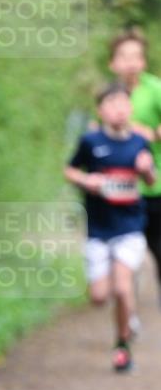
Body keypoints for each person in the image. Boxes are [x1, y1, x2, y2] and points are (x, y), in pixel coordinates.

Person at [64, 82, 155, 372]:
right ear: (101, 111)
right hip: (98, 230)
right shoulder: (90, 142)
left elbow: (151, 181)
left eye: (123, 103)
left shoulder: (140, 143)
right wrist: (85, 181)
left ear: (130, 108)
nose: (119, 109)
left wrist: (146, 170)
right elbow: (70, 170)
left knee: (122, 288)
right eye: (112, 104)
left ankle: (123, 346)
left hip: (130, 226)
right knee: (99, 297)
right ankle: (128, 318)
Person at [108, 30, 161, 302]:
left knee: (157, 248)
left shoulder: (155, 90)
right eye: (123, 56)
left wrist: (149, 134)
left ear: (144, 61)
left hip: (155, 186)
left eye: (136, 56)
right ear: (112, 63)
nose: (130, 62)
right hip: (121, 189)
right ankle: (129, 312)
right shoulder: (109, 95)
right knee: (124, 254)